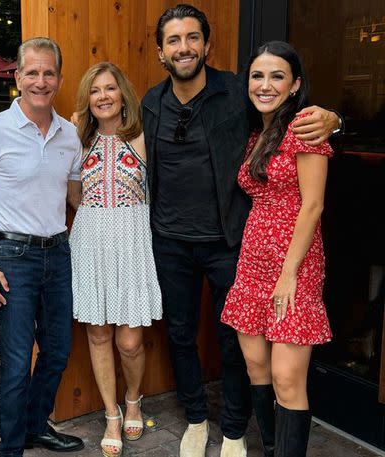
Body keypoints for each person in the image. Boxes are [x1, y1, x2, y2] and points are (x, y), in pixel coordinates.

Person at [142, 5, 342, 457]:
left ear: (207, 45)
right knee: (181, 334)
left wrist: (334, 117)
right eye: (173, 40)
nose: (184, 47)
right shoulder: (152, 102)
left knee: (235, 343)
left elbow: (298, 124)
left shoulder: (239, 91)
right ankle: (196, 418)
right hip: (171, 241)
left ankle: (234, 429)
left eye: (193, 38)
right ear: (161, 52)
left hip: (229, 242)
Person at [0, 37, 84, 457]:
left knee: (57, 352)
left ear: (59, 78)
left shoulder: (70, 135)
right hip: (12, 257)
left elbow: (75, 198)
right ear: (18, 77)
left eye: (48, 73)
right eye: (31, 72)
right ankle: (11, 447)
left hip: (59, 251)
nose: (40, 80)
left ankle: (37, 428)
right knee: (16, 361)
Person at [220, 41, 332, 457]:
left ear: (295, 84)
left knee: (288, 378)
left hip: (294, 262)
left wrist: (289, 273)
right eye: (257, 75)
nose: (265, 85)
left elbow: (313, 204)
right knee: (257, 366)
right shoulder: (258, 132)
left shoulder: (305, 126)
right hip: (253, 260)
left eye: (277, 76)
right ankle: (270, 448)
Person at [69, 62, 162, 457]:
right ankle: (111, 413)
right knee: (98, 333)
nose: (103, 96)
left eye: (110, 88)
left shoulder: (142, 135)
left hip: (132, 241)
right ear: (87, 100)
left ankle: (134, 398)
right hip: (90, 239)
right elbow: (73, 194)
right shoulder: (79, 138)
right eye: (95, 90)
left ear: (123, 93)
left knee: (129, 340)